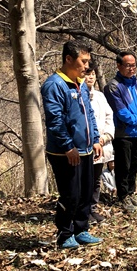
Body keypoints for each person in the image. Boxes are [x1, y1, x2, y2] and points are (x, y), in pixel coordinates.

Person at [41, 40, 103, 249]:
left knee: (86, 192)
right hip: (64, 152)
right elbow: (55, 121)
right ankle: (64, 233)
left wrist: (95, 139)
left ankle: (81, 229)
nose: (87, 66)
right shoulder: (54, 85)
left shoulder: (80, 83)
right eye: (83, 61)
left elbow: (90, 115)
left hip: (85, 149)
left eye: (88, 62)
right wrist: (68, 147)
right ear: (69, 59)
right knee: (71, 194)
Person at [103, 53, 137, 213]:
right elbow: (120, 111)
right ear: (119, 66)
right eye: (128, 65)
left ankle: (131, 193)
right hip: (123, 133)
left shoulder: (136, 84)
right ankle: (122, 197)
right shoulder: (113, 86)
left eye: (133, 65)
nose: (131, 68)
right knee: (123, 166)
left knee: (135, 165)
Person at [85, 62, 115, 224]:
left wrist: (105, 137)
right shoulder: (78, 95)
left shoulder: (100, 96)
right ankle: (84, 210)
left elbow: (109, 118)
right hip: (86, 145)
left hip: (102, 145)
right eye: (87, 73)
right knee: (86, 179)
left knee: (96, 179)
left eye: (93, 74)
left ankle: (92, 208)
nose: (90, 77)